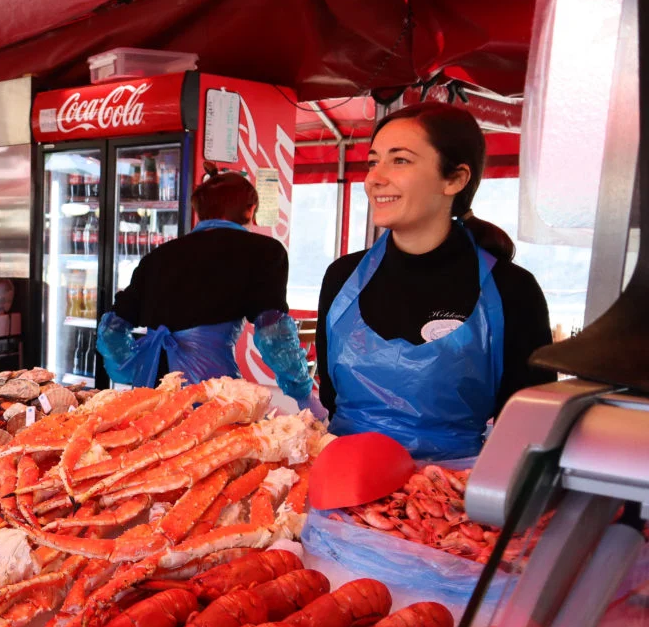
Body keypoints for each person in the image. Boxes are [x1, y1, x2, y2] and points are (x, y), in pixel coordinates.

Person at [317, 101, 554, 460]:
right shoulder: (341, 277)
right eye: (373, 161)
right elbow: (331, 398)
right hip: (340, 486)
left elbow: (528, 427)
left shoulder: (512, 290)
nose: (374, 178)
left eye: (400, 160)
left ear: (455, 179)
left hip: (449, 501)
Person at [109, 166, 313, 400]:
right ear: (251, 210)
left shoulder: (159, 255)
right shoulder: (264, 252)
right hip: (211, 393)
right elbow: (273, 334)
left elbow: (111, 329)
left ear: (199, 212)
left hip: (152, 391)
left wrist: (130, 367)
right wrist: (303, 391)